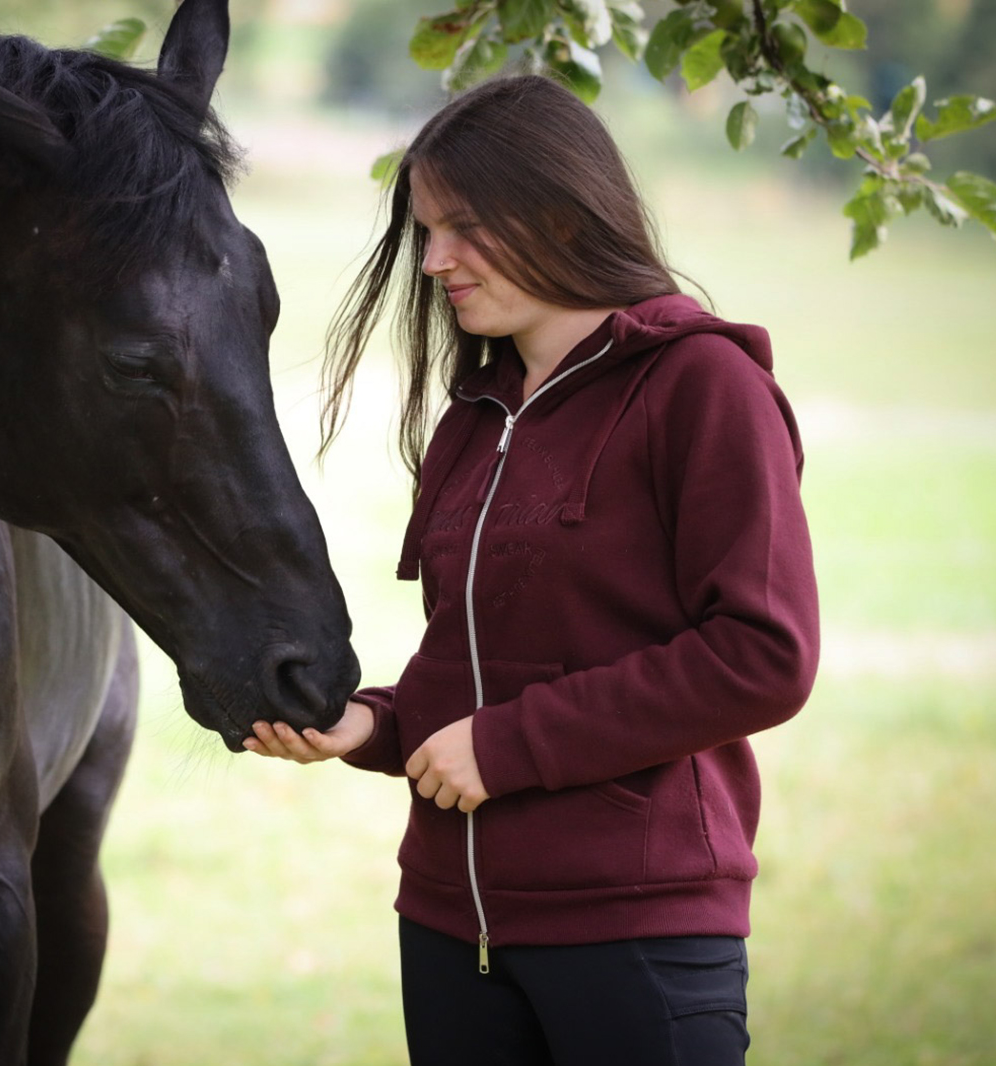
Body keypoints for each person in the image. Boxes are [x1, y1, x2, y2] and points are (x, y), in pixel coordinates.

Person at [243, 74, 819, 1066]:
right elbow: (470, 658)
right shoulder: (477, 413)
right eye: (426, 231)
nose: (433, 262)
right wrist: (371, 725)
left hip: (633, 926)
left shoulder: (702, 386)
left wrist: (510, 748)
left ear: (559, 209)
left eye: (461, 228)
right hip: (447, 925)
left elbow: (761, 654)